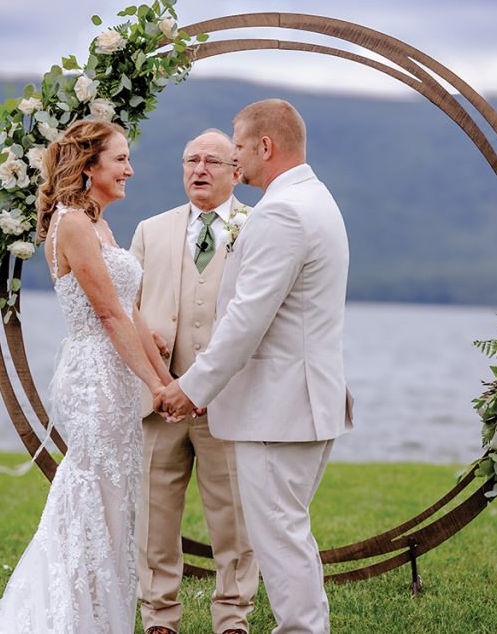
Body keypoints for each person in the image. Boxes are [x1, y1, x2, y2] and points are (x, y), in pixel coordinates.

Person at [156, 100, 353, 634]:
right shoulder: (316, 199)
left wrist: (190, 387)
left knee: (279, 537)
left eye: (238, 147)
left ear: (265, 146)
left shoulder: (283, 212)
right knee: (287, 532)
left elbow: (247, 319)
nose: (234, 160)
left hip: (278, 407)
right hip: (302, 402)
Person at [0, 119, 172, 633]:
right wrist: (157, 386)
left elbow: (129, 311)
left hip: (116, 374)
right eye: (121, 159)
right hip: (96, 379)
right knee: (91, 501)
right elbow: (108, 317)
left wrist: (166, 377)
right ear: (89, 166)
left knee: (111, 505)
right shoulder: (75, 225)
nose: (131, 169)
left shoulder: (99, 223)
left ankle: (100, 617)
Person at [130, 129, 259, 634]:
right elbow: (129, 307)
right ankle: (159, 617)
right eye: (191, 160)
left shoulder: (258, 227)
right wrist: (154, 357)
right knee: (154, 516)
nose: (199, 169)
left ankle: (233, 618)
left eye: (212, 161)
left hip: (228, 401)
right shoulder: (151, 229)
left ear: (237, 171)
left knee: (233, 517)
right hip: (159, 398)